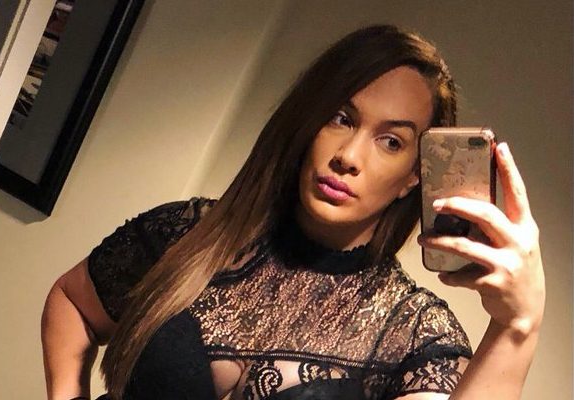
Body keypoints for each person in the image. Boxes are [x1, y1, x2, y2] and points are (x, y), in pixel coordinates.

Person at [41, 25, 545, 400]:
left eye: (391, 141)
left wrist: (517, 326)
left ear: (414, 175)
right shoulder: (190, 233)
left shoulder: (409, 334)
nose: (349, 156)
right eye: (341, 117)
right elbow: (72, 301)